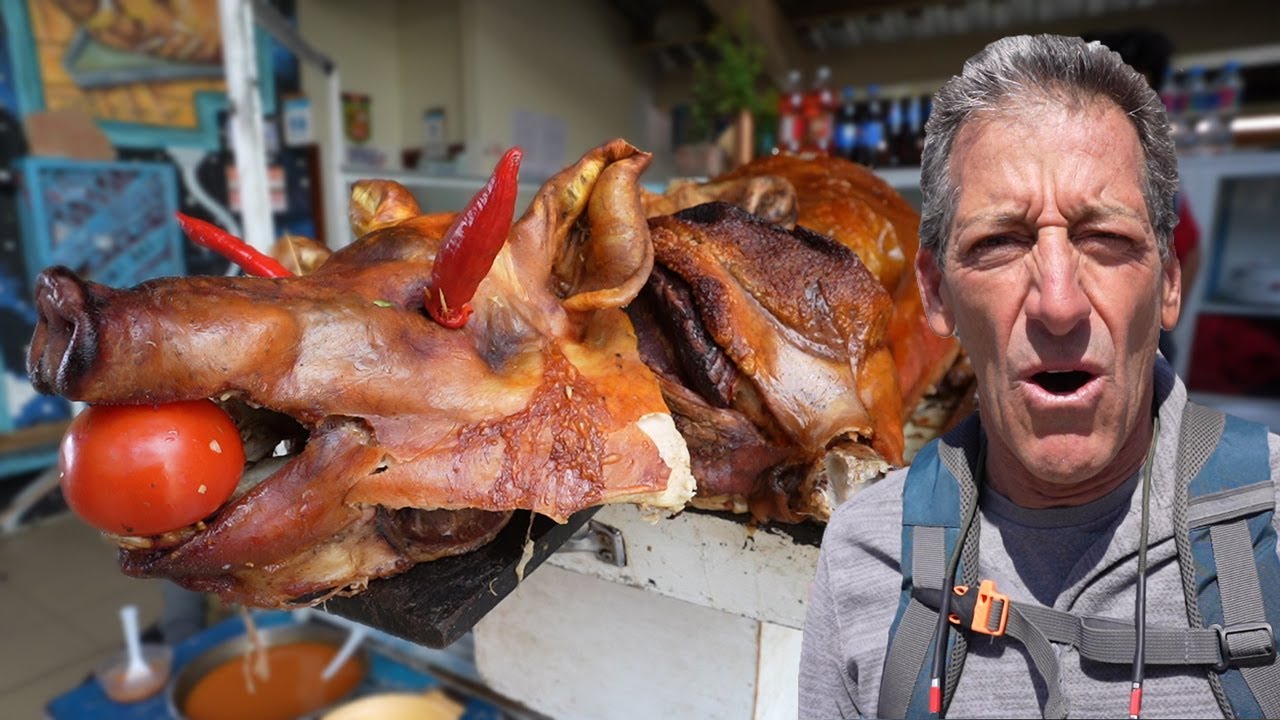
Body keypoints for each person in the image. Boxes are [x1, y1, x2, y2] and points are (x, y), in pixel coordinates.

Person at [799, 34, 1280, 719]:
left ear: (1169, 282)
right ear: (936, 295)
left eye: (1106, 240)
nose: (1058, 302)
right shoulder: (868, 552)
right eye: (998, 242)